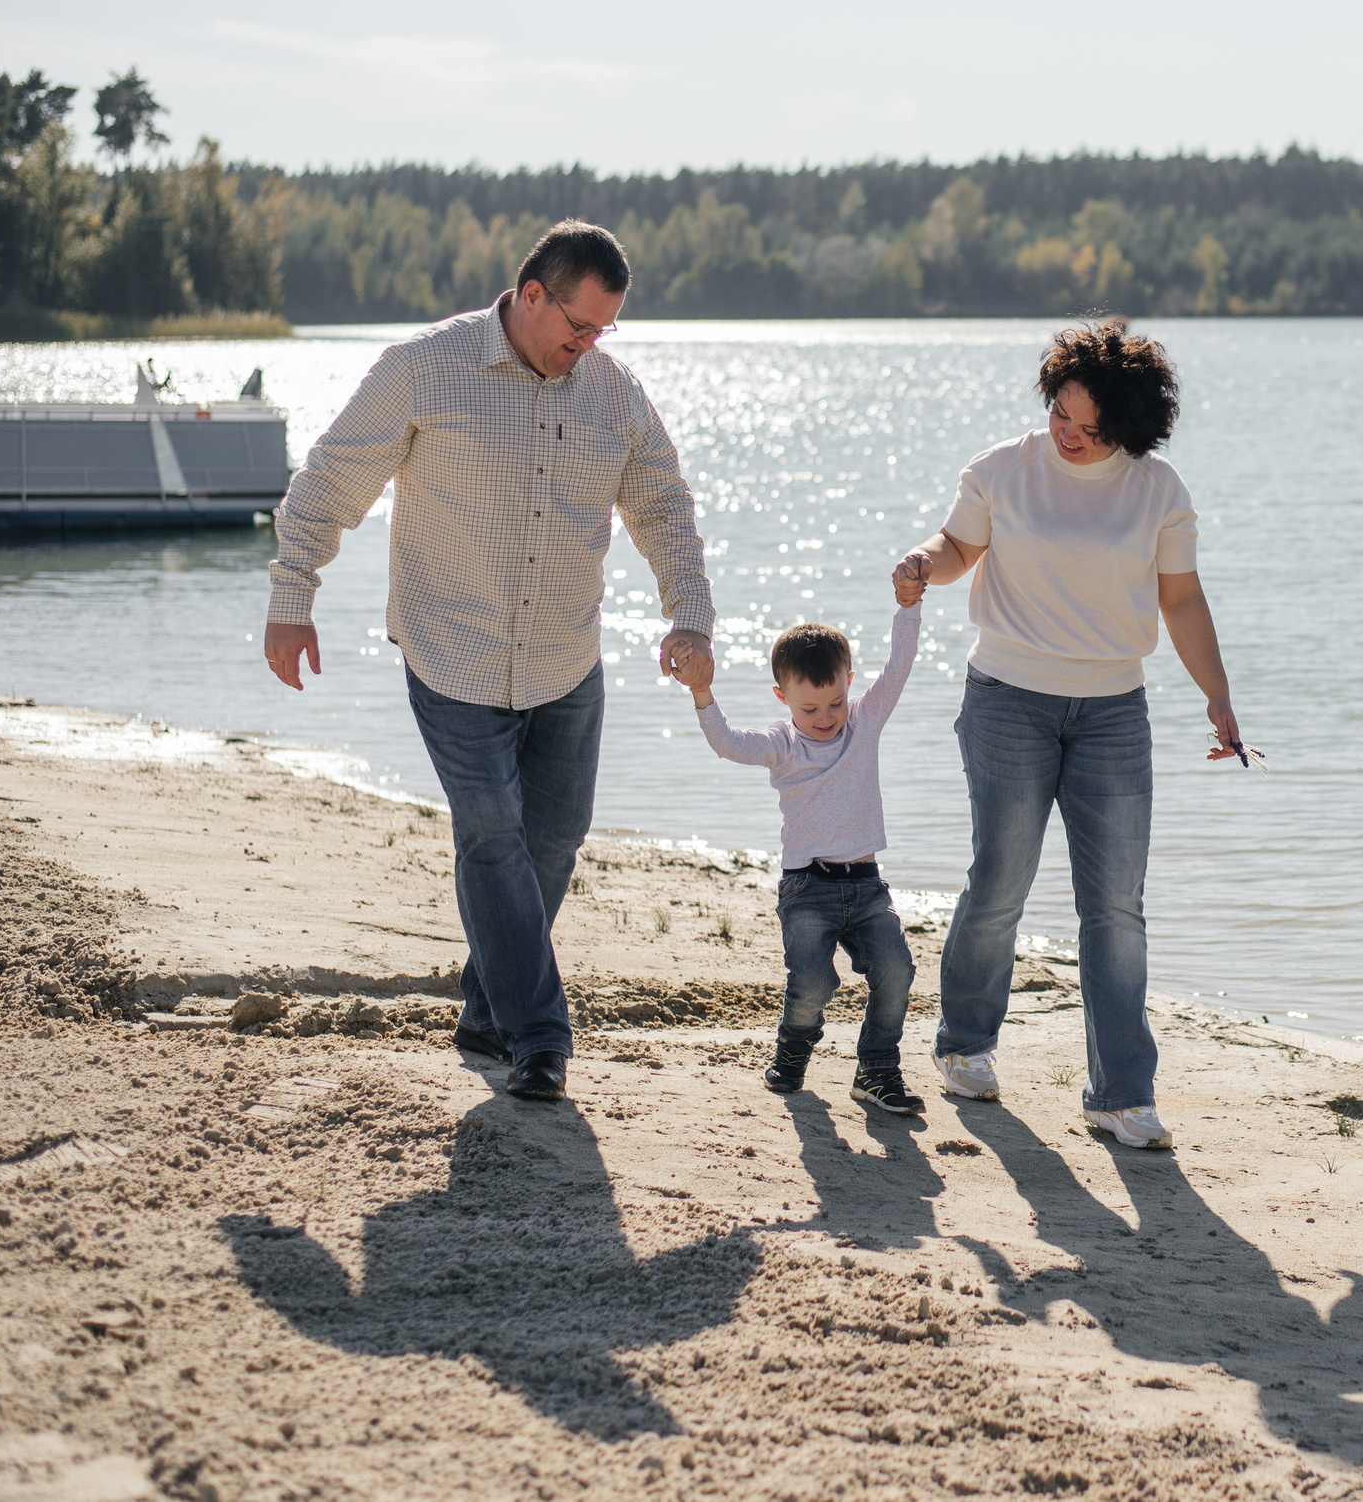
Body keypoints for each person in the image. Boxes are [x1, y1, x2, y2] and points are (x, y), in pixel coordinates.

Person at [262, 221, 714, 1105]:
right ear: (532, 294)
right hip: (452, 653)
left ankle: (485, 1007)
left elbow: (664, 505)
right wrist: (292, 595)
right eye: (578, 327)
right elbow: (329, 480)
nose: (586, 348)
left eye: (603, 333)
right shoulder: (426, 367)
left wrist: (689, 617)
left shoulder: (612, 394)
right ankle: (539, 1035)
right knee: (492, 832)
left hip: (563, 655)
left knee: (552, 838)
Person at [892, 317, 1241, 1149]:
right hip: (1008, 699)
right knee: (1000, 881)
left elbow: (1181, 601)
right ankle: (966, 1043)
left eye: (1093, 429)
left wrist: (1219, 698)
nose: (1072, 438)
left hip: (1114, 711)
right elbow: (955, 548)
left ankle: (1121, 1093)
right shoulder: (1003, 468)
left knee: (1116, 905)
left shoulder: (1158, 488)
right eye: (1062, 418)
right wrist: (920, 563)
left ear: (1130, 427)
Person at [684, 568, 928, 1114]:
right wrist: (702, 691)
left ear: (848, 684)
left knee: (896, 971)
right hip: (807, 888)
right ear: (782, 696)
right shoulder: (782, 743)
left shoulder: (865, 722)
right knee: (813, 984)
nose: (826, 718)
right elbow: (727, 743)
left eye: (836, 703)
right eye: (810, 708)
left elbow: (900, 665)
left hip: (867, 886)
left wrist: (907, 607)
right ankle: (794, 1049)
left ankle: (878, 1070)